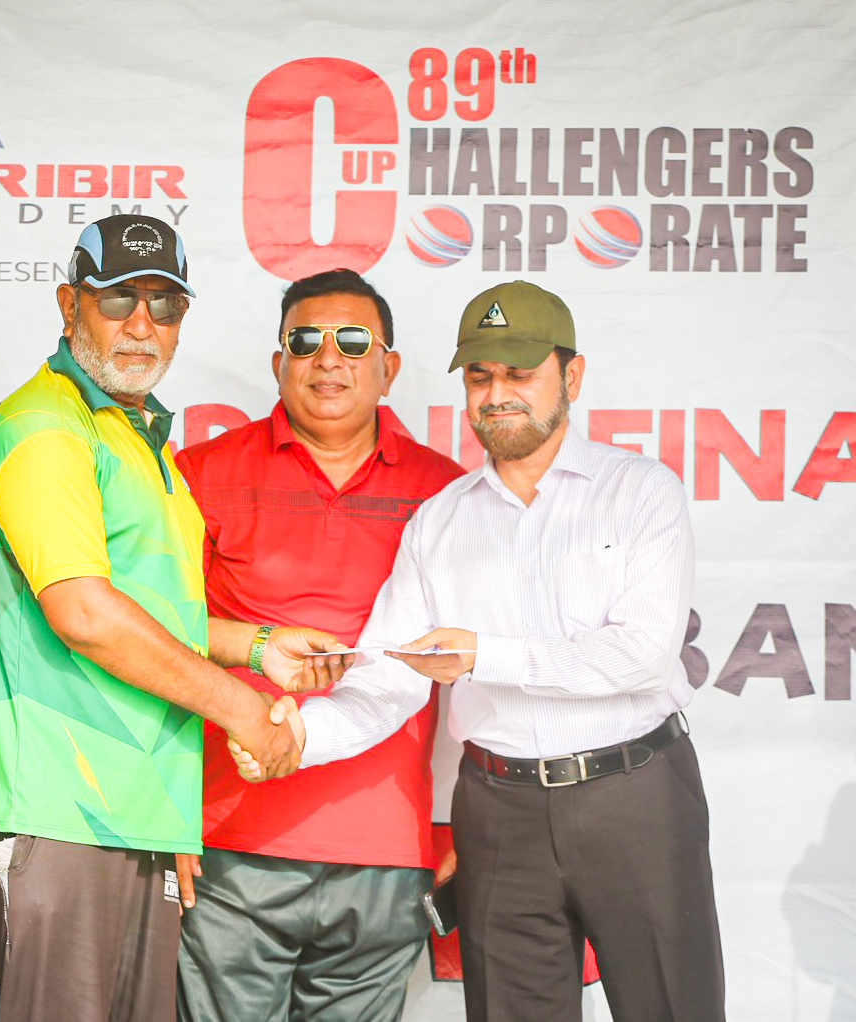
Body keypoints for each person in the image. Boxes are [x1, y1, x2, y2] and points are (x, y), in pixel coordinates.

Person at [236, 280, 726, 1022]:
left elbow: (642, 656)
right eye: (479, 376)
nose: (497, 395)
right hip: (497, 811)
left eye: (519, 373)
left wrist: (481, 655)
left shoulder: (639, 491)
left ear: (571, 376)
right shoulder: (439, 521)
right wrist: (299, 735)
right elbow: (389, 677)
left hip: (634, 793)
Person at [0, 214, 345, 1022]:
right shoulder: (44, 425)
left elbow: (147, 615)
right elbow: (85, 614)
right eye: (118, 299)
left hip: (135, 809)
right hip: (50, 806)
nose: (142, 324)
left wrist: (256, 646)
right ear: (68, 305)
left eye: (165, 303)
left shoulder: (137, 434)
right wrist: (242, 711)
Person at [173, 268, 464, 1022]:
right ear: (278, 362)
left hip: (386, 851)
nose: (327, 358)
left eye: (353, 341)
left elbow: (482, 676)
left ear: (388, 367)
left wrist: (472, 828)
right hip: (228, 841)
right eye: (304, 341)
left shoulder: (451, 493)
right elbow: (151, 646)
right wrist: (163, 818)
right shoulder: (198, 474)